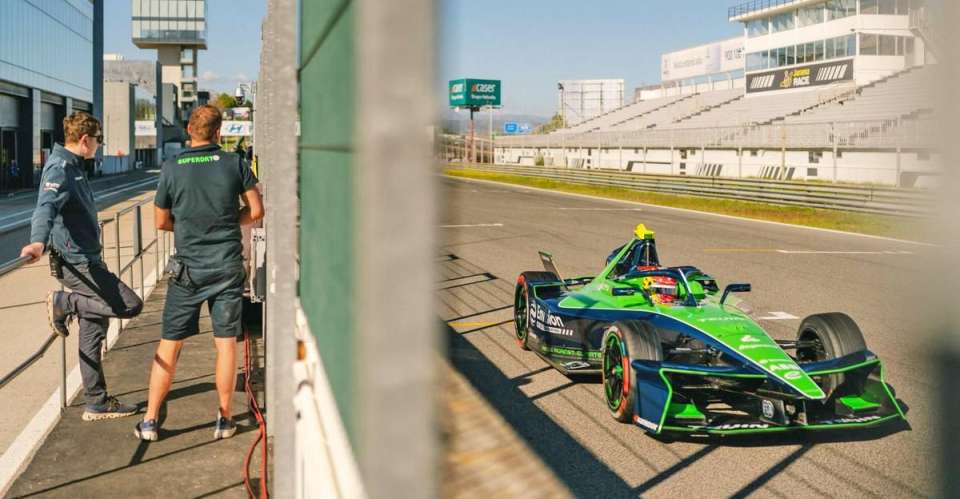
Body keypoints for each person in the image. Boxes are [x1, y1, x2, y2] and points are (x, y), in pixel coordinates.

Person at [135, 105, 263, 441]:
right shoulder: (235, 162)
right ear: (219, 133)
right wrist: (225, 222)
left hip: (188, 271)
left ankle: (150, 421)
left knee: (169, 346)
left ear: (190, 131)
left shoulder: (172, 167)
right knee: (225, 345)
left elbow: (161, 222)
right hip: (226, 266)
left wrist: (191, 225)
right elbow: (257, 210)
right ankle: (224, 419)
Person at [20, 112, 142, 421]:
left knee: (93, 325)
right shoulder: (60, 169)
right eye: (99, 140)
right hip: (77, 263)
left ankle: (96, 401)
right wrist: (38, 241)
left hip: (86, 258)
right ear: (85, 140)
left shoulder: (74, 167)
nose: (100, 145)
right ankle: (65, 302)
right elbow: (44, 208)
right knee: (129, 305)